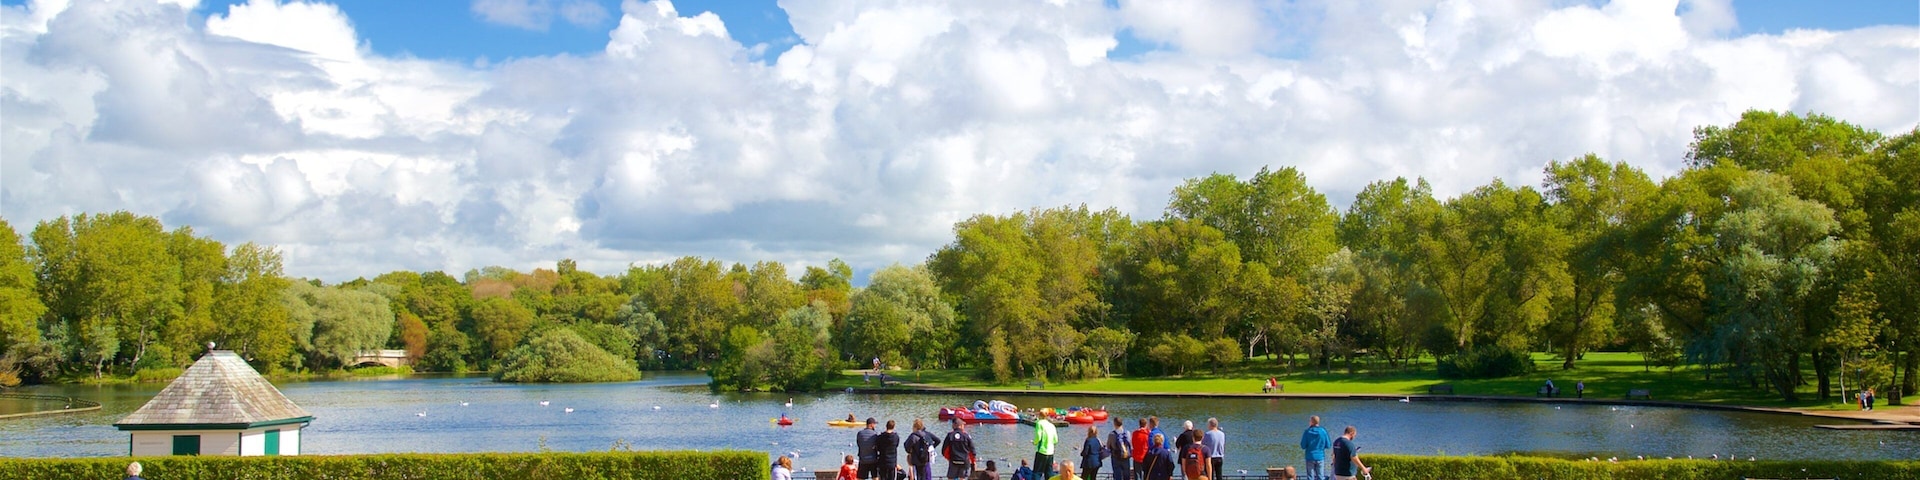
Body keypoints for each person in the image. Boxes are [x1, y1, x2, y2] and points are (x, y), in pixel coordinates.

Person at [1299, 416, 1331, 480]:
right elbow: (1328, 445)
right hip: (1320, 456)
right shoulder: (1323, 431)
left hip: (1310, 456)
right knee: (1320, 476)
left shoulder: (1307, 432)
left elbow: (1303, 446)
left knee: (1310, 477)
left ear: (1311, 422)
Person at [1033, 414, 1058, 480]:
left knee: (1037, 472)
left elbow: (1038, 437)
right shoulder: (1052, 425)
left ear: (1040, 416)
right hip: (1050, 452)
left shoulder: (1039, 423)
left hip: (1042, 451)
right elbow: (1056, 440)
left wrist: (1034, 442)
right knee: (1049, 472)